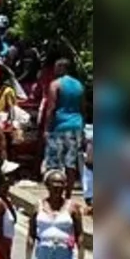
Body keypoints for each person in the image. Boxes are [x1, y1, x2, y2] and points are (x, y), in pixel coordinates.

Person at [26, 169, 86, 259]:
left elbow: (79, 235)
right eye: (54, 183)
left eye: (61, 183)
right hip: (43, 252)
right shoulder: (38, 206)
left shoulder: (72, 207)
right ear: (47, 185)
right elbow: (31, 235)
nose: (57, 187)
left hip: (64, 253)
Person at [41, 57, 85, 194]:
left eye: (56, 67)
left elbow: (51, 107)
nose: (54, 70)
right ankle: (68, 194)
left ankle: (54, 193)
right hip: (76, 125)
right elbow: (83, 107)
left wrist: (47, 129)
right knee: (70, 162)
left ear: (61, 68)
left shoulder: (56, 84)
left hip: (60, 126)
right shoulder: (79, 85)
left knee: (55, 162)